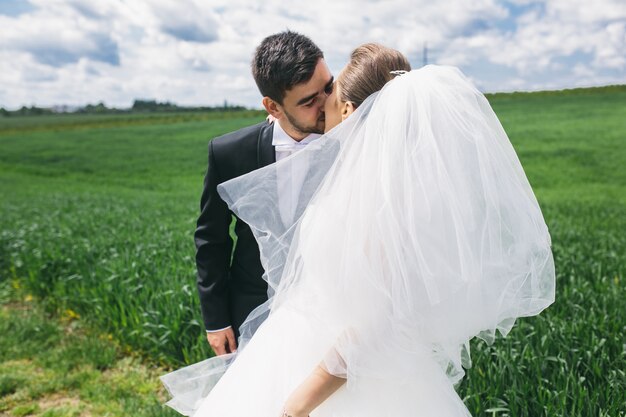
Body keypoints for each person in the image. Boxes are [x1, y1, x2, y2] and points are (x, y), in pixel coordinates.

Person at [162, 44, 555, 417]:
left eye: (328, 94)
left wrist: (299, 403)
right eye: (308, 100)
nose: (320, 108)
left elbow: (373, 322)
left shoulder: (378, 196)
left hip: (333, 372)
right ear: (274, 107)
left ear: (350, 112)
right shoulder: (364, 172)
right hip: (292, 347)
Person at [194, 30, 333, 356]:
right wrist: (215, 320)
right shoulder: (228, 153)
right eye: (309, 100)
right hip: (253, 312)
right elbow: (211, 239)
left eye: (328, 86)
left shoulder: (352, 144)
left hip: (330, 314)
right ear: (273, 106)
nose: (327, 102)